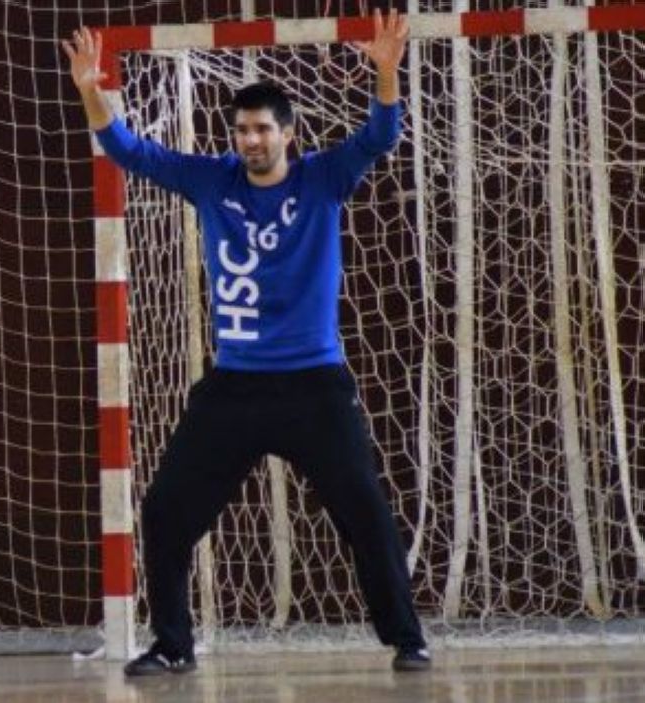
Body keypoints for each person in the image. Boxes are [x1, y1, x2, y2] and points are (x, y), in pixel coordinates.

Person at [62, 9, 432, 676]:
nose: (251, 139)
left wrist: (385, 71)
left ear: (287, 134)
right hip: (234, 387)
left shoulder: (322, 179)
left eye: (263, 129)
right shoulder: (212, 181)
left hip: (314, 384)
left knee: (365, 511)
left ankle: (408, 637)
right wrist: (92, 89)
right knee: (166, 509)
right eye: (242, 130)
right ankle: (174, 643)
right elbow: (128, 150)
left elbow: (381, 133)